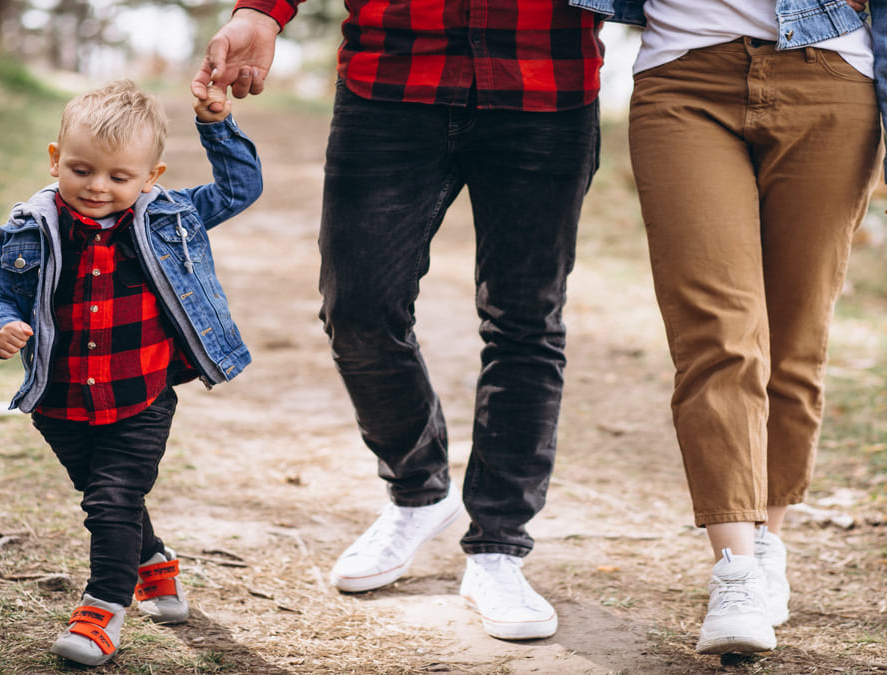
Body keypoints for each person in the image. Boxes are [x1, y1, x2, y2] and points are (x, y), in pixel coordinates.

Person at [192, 0, 603, 641]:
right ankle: (418, 490)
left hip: (546, 80)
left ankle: (498, 547)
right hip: (392, 79)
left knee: (525, 321)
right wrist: (262, 14)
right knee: (356, 307)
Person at [571, 0, 887, 656]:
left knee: (795, 336)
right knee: (717, 335)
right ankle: (735, 570)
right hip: (682, 80)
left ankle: (767, 534)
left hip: (829, 78)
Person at [0, 80, 263, 666]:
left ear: (150, 176)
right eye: (81, 170)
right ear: (56, 160)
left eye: (119, 177)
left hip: (141, 393)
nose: (98, 187)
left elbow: (241, 187)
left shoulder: (169, 216)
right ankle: (153, 562)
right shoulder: (29, 226)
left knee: (112, 498)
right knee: (108, 496)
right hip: (58, 398)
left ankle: (102, 609)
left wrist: (215, 125)